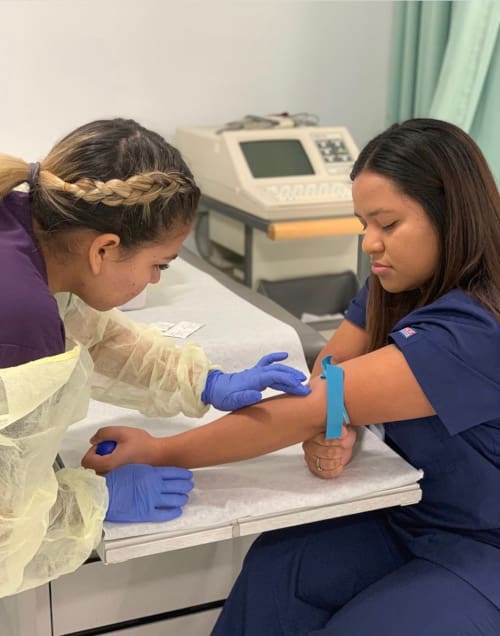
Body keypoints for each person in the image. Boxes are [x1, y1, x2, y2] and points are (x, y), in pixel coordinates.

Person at [83, 118, 500, 635]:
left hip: (480, 546)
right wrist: (342, 425)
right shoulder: (394, 286)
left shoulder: (477, 329)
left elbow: (312, 402)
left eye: (387, 225)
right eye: (362, 224)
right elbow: (329, 374)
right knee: (276, 570)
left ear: (451, 217)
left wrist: (161, 450)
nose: (370, 243)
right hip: (406, 512)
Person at [0, 118, 311, 597]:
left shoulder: (23, 220)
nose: (156, 282)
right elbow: (5, 529)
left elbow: (91, 333)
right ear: (104, 249)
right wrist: (89, 506)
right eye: (158, 265)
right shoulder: (19, 315)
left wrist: (202, 380)